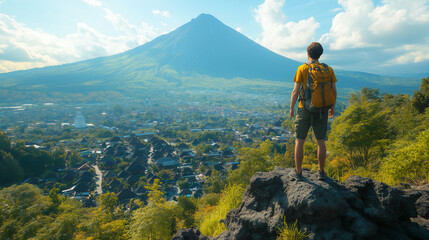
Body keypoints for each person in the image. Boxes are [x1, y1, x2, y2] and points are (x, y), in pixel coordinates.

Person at [289, 42, 337, 180]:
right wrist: (332, 107)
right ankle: (321, 172)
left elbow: (295, 91)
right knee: (321, 141)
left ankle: (298, 172)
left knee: (299, 141)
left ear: (308, 54)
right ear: (320, 54)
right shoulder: (328, 69)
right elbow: (334, 91)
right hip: (322, 110)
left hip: (304, 108)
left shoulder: (302, 68)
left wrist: (292, 108)